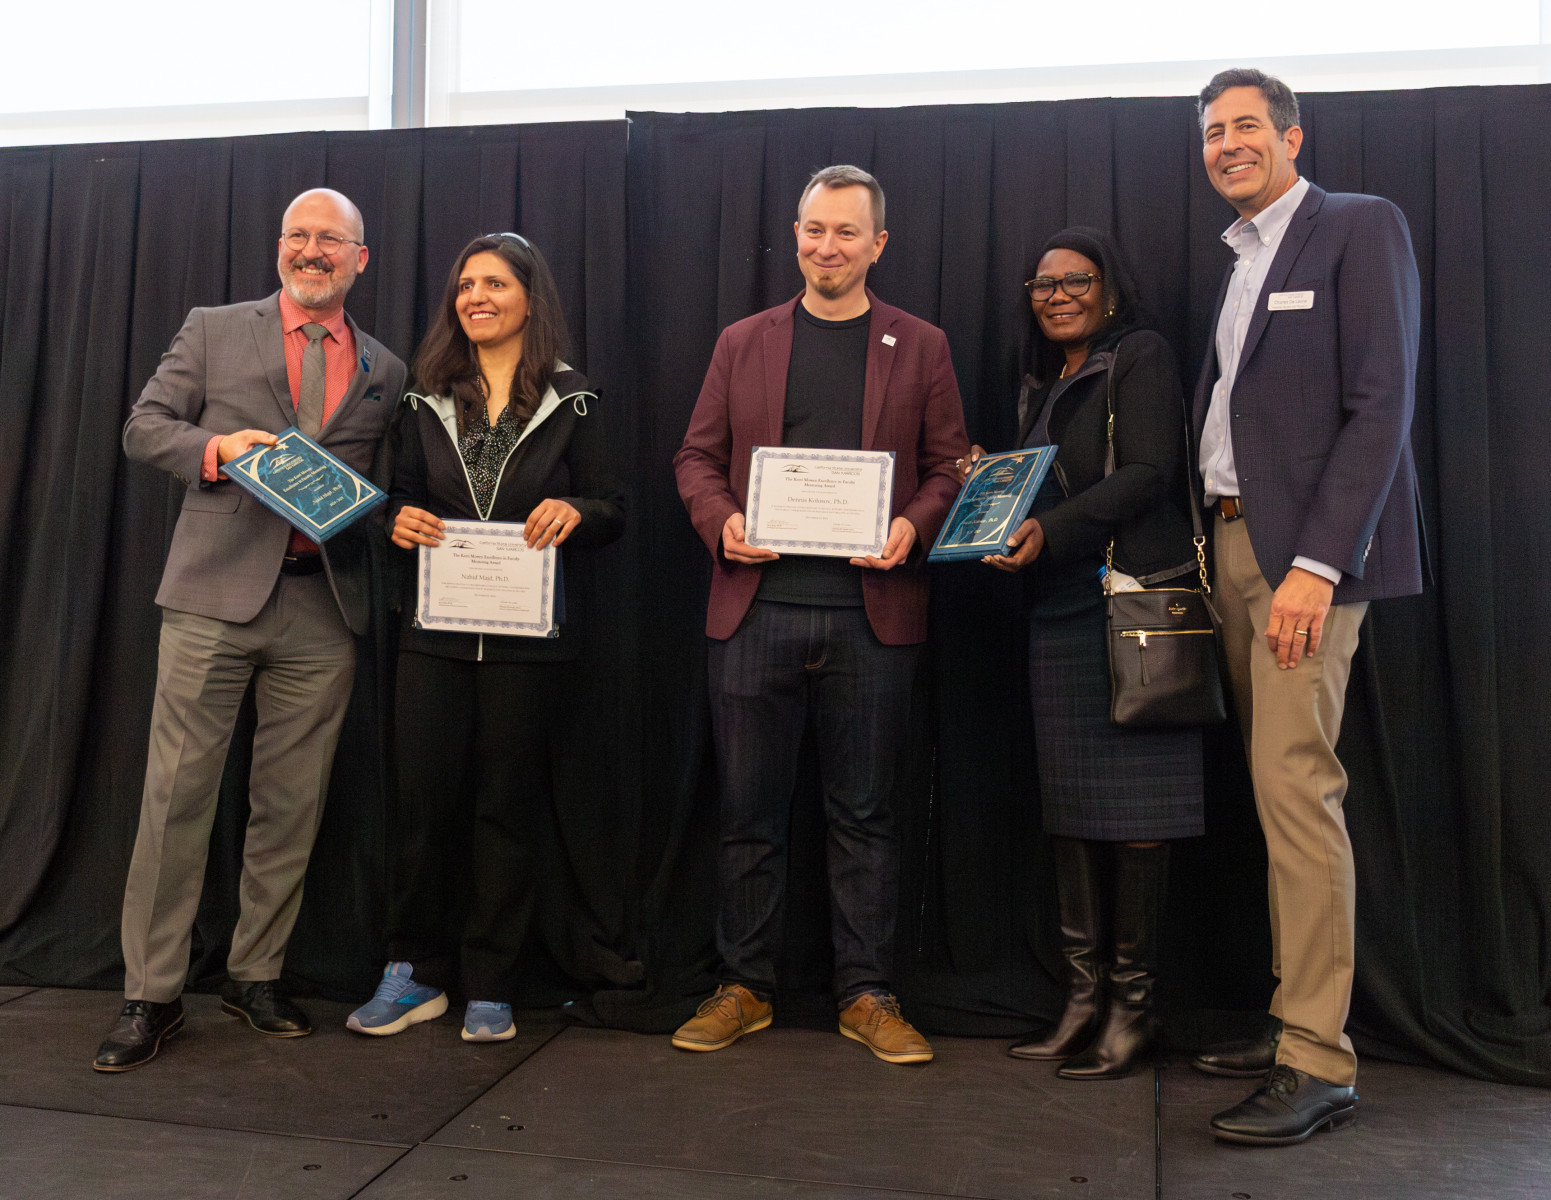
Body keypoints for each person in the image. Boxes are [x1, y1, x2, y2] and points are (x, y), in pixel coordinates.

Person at [96, 189, 407, 1072]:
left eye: (331, 241)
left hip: (324, 608)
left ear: (359, 259)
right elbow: (140, 429)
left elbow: (380, 487)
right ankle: (148, 995)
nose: (313, 252)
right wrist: (214, 450)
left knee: (291, 804)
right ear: (281, 248)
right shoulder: (211, 328)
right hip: (210, 600)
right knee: (175, 799)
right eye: (299, 237)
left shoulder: (384, 367)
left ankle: (255, 973)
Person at [671, 165, 969, 1064]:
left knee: (866, 816)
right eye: (813, 230)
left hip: (872, 616)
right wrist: (721, 522)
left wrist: (911, 530)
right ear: (793, 234)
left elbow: (949, 467)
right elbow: (696, 457)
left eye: (846, 233)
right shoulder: (742, 340)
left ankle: (867, 994)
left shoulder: (920, 345)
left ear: (878, 244)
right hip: (754, 611)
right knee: (747, 814)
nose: (826, 247)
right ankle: (744, 987)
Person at [1188, 69, 1423, 1144]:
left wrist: (1319, 565)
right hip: (1232, 544)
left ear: (1292, 133)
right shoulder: (1241, 260)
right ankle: (1295, 1018)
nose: (1228, 143)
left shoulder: (1355, 227)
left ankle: (1318, 1060)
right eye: (1211, 132)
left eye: (1246, 126)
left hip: (1301, 565)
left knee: (1295, 790)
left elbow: (1380, 405)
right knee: (1274, 792)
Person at [345, 233, 624, 1043]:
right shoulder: (423, 394)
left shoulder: (573, 400)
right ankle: (413, 971)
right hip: (431, 636)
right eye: (466, 284)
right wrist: (396, 517)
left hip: (529, 642)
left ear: (530, 300)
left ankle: (492, 982)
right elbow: (389, 498)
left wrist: (579, 514)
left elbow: (612, 506)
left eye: (496, 284)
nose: (478, 297)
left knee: (506, 809)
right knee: (422, 804)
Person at [966, 228, 1204, 1080]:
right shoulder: (1047, 379)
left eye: (1076, 279)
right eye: (1041, 282)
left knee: (1138, 822)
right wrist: (989, 480)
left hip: (1131, 605)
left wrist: (1045, 528)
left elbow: (1147, 469)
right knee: (1071, 813)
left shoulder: (1137, 353)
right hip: (1061, 607)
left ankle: (1133, 1011)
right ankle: (1081, 1000)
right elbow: (1055, 478)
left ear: (1109, 288)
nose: (1056, 293)